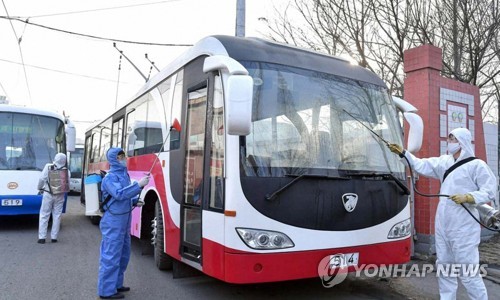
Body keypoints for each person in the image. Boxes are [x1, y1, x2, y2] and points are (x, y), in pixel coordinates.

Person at [388, 128, 497, 300]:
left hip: (464, 227)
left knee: (468, 271)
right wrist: (403, 153)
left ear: (462, 141)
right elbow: (421, 164)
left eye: (453, 139)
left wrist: (470, 196)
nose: (450, 142)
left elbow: (490, 190)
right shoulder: (445, 162)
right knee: (445, 268)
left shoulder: (477, 165)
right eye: (449, 138)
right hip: (444, 224)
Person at [97, 147, 149, 299]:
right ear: (114, 160)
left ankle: (117, 284)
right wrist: (138, 186)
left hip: (123, 221)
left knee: (123, 255)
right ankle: (106, 291)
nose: (124, 159)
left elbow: (125, 195)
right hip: (113, 222)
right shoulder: (109, 178)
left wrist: (134, 200)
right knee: (111, 255)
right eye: (120, 157)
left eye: (123, 156)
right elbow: (119, 194)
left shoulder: (124, 175)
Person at [37, 153, 70, 244]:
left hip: (48, 194)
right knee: (57, 215)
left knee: (44, 215)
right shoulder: (67, 171)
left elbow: (42, 179)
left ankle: (42, 238)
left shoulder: (48, 166)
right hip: (60, 195)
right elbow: (67, 185)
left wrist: (39, 188)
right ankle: (54, 237)